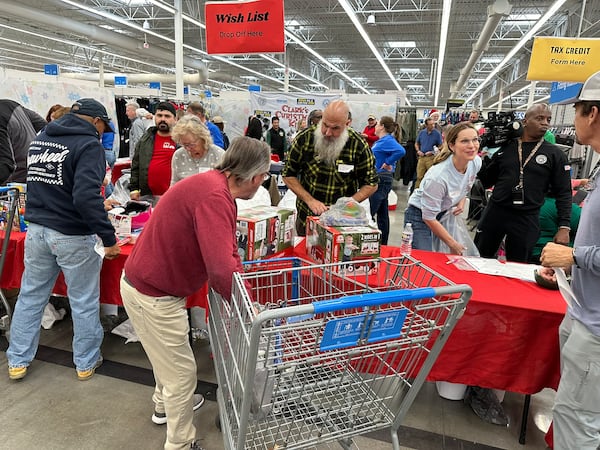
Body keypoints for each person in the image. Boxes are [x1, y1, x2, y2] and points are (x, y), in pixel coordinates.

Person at [120, 136, 271, 450]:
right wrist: (249, 308)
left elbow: (225, 252)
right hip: (154, 295)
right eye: (265, 176)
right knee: (181, 373)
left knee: (166, 356)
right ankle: (181, 443)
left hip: (144, 285)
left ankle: (163, 405)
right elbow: (220, 268)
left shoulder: (211, 184)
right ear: (256, 177)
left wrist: (239, 280)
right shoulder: (215, 197)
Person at [6, 98, 121, 382]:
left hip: (37, 230)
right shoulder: (89, 146)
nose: (103, 131)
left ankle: (17, 361)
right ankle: (86, 362)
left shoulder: (41, 138)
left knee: (31, 297)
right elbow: (84, 196)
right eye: (103, 125)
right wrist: (108, 238)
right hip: (72, 234)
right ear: (95, 121)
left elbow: (41, 184)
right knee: (82, 300)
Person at [538, 70, 600, 450]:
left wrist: (575, 255)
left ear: (592, 113)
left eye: (576, 109)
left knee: (578, 422)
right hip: (582, 312)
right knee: (575, 413)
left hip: (596, 329)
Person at [475, 103, 572, 263]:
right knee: (479, 258)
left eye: (548, 119)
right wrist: (480, 158)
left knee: (519, 265)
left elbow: (564, 192)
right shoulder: (506, 147)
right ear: (525, 121)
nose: (545, 123)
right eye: (540, 118)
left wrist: (564, 226)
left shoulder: (555, 154)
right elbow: (487, 180)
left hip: (527, 217)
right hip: (496, 211)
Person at [282, 99, 378, 235]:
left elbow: (371, 183)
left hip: (343, 224)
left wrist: (345, 205)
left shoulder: (358, 145)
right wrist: (309, 200)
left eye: (335, 128)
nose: (327, 132)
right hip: (307, 219)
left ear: (347, 124)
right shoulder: (304, 139)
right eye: (325, 125)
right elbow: (287, 173)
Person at [405, 122, 482, 253]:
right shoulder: (438, 177)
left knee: (444, 258)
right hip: (419, 216)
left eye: (475, 139)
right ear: (452, 145)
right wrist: (452, 244)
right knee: (424, 259)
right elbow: (428, 217)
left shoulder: (475, 162)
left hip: (443, 213)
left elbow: (465, 184)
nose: (472, 146)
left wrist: (461, 201)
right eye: (464, 141)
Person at [129, 101, 178, 203]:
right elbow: (136, 165)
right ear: (154, 117)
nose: (163, 119)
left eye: (167, 116)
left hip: (175, 196)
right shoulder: (145, 139)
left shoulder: (181, 141)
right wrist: (133, 189)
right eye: (159, 115)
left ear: (175, 119)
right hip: (147, 196)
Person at [369, 116, 405, 245]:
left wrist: (387, 162)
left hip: (381, 178)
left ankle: (370, 242)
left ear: (382, 126)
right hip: (382, 178)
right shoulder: (383, 140)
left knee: (370, 212)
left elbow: (401, 151)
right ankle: (383, 244)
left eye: (377, 124)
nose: (375, 126)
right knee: (382, 214)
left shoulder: (387, 140)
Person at [0, 99, 47, 184]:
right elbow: (44, 126)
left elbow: (5, 165)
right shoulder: (11, 104)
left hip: (16, 181)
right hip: (35, 170)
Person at [170, 115, 225, 185]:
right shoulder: (178, 155)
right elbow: (174, 184)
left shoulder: (219, 155)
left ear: (203, 138)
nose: (188, 149)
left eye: (192, 144)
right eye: (184, 145)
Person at [414, 117, 443, 189]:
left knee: (431, 177)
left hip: (431, 158)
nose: (432, 126)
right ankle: (417, 192)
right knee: (419, 176)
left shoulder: (437, 133)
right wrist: (418, 151)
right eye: (430, 124)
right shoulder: (422, 133)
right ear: (426, 125)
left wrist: (432, 152)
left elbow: (441, 146)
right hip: (421, 157)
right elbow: (416, 143)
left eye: (433, 124)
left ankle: (429, 192)